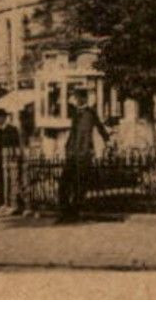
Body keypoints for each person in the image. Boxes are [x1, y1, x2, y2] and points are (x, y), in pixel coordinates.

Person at [57, 86, 109, 223]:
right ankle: (65, 213)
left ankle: (74, 213)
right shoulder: (75, 113)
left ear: (85, 98)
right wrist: (67, 147)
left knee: (79, 186)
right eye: (76, 98)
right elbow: (72, 133)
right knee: (63, 184)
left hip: (84, 154)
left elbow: (99, 128)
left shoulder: (90, 113)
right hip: (72, 154)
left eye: (80, 97)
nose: (77, 100)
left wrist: (107, 140)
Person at [0, 107, 22, 212]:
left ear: (3, 118)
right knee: (0, 182)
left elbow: (15, 145)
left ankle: (11, 203)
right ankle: (1, 202)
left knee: (10, 181)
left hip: (9, 159)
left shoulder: (12, 130)